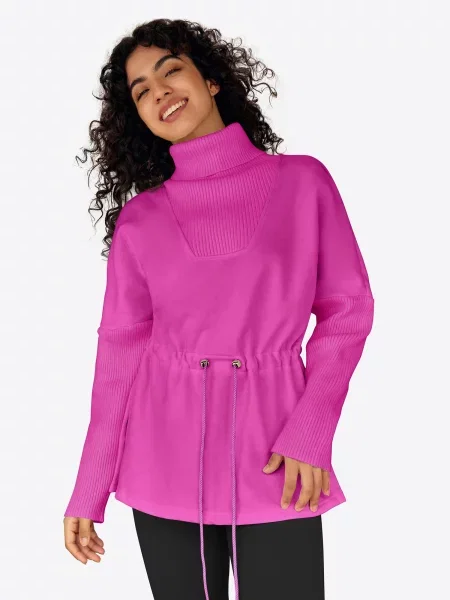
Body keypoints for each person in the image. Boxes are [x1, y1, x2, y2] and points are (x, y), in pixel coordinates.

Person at [63, 18, 375, 600]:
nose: (159, 93)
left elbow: (348, 312)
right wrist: (89, 489)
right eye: (141, 91)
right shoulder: (139, 222)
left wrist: (311, 430)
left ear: (210, 81)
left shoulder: (303, 183)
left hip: (279, 453)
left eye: (171, 71)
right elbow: (118, 362)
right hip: (161, 458)